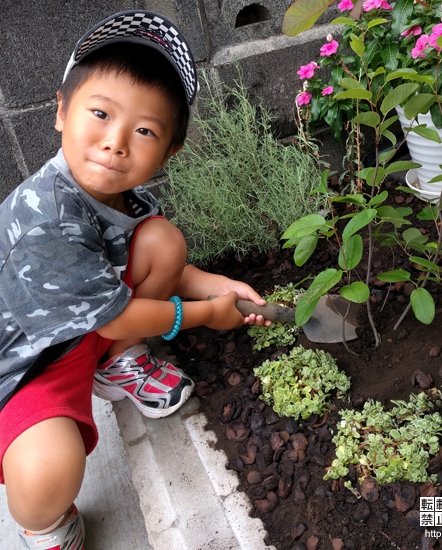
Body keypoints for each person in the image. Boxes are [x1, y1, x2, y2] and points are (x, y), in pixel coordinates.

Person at [0, 10, 270, 549]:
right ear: (60, 110)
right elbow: (120, 310)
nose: (116, 142)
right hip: (29, 366)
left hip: (85, 329)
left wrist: (213, 284)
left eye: (144, 130)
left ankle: (115, 363)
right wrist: (202, 315)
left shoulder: (116, 197)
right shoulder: (45, 215)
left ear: (171, 150)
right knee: (49, 468)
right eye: (99, 113)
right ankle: (47, 523)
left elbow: (134, 270)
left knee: (162, 240)